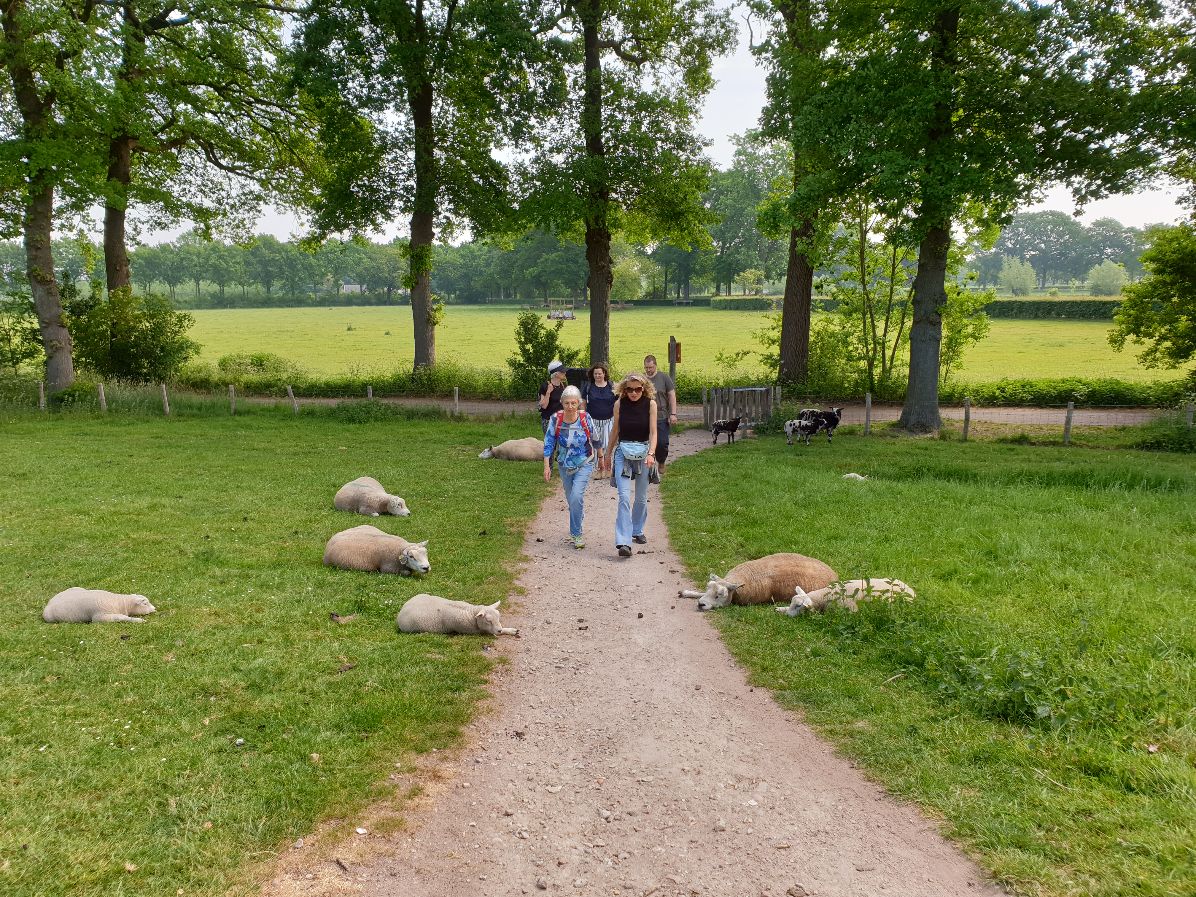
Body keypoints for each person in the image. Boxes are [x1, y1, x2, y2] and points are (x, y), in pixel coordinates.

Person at [607, 372, 658, 558]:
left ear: (643, 389)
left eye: (638, 389)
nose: (634, 393)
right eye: (630, 389)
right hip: (623, 452)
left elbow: (654, 432)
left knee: (641, 497)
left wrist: (652, 453)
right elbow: (615, 430)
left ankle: (637, 529)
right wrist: (607, 453)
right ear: (624, 389)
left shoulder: (651, 404)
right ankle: (624, 541)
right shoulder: (619, 404)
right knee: (623, 497)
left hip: (644, 452)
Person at [543, 386, 597, 550]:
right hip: (564, 464)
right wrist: (547, 466)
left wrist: (602, 457)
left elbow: (595, 438)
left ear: (579, 403)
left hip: (585, 461)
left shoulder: (585, 417)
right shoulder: (555, 419)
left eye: (574, 403)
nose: (570, 406)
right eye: (567, 403)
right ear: (562, 403)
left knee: (575, 496)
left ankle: (576, 534)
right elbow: (549, 443)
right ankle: (578, 514)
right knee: (572, 499)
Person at [643, 354, 677, 467]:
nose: (648, 370)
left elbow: (671, 395)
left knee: (662, 443)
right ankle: (646, 466)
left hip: (661, 415)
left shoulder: (664, 377)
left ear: (655, 366)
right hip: (645, 415)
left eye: (650, 367)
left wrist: (673, 413)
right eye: (646, 368)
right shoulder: (641, 379)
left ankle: (661, 461)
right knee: (644, 442)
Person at [582, 363, 616, 478]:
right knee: (596, 446)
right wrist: (583, 418)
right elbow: (583, 403)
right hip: (593, 421)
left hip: (608, 420)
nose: (598, 375)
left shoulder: (612, 386)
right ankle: (599, 470)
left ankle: (607, 468)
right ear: (593, 375)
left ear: (604, 373)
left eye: (600, 373)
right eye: (595, 374)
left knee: (607, 444)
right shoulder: (588, 387)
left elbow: (618, 403)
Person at [538, 359, 568, 435]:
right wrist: (548, 392)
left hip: (562, 420)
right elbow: (544, 406)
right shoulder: (545, 386)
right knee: (551, 444)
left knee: (562, 443)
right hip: (549, 420)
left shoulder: (564, 385)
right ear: (556, 374)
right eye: (562, 371)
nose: (565, 373)